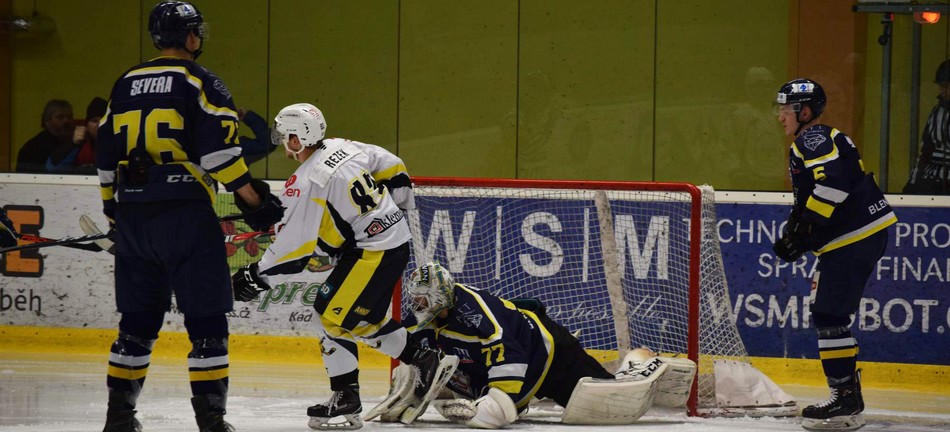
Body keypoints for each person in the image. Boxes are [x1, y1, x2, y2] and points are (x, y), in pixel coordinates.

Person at [95, 2, 284, 431]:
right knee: (207, 324)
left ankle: (119, 418)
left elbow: (106, 160)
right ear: (189, 37)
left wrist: (113, 212)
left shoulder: (124, 82)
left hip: (134, 217)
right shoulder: (202, 81)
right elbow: (221, 156)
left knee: (137, 324)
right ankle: (212, 422)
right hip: (185, 216)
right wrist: (254, 201)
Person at [230, 103, 458, 430]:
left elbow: (297, 244)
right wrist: (399, 198)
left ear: (298, 138)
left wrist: (258, 273)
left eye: (287, 136)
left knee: (341, 315)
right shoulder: (341, 146)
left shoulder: (307, 179)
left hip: (375, 251)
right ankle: (348, 394)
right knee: (334, 314)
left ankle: (420, 358)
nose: (284, 142)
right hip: (381, 243)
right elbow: (389, 162)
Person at [379, 262, 694, 429]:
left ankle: (638, 365)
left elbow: (509, 352)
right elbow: (409, 343)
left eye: (422, 298)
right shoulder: (432, 315)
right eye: (415, 299)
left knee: (610, 404)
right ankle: (518, 395)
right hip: (520, 363)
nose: (417, 304)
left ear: (439, 296)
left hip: (550, 357)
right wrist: (411, 380)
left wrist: (498, 402)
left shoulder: (475, 315)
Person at [773, 78, 898, 431]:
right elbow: (822, 191)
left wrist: (804, 228)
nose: (780, 117)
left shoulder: (812, 137)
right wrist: (799, 229)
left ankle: (845, 397)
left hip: (854, 236)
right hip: (855, 236)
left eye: (786, 111)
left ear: (805, 111)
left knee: (829, 313)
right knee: (830, 312)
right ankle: (846, 394)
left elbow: (836, 182)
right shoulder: (815, 139)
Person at [904, 59, 950, 195]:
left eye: (945, 86)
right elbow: (926, 152)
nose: (941, 91)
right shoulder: (937, 112)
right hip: (933, 183)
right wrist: (912, 184)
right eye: (940, 86)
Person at [15, 99, 77, 173]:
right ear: (47, 120)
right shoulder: (33, 148)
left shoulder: (76, 142)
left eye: (70, 117)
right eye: (60, 117)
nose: (66, 121)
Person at [68, 96, 108, 175]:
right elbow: (53, 168)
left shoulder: (120, 142)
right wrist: (72, 144)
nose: (99, 125)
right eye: (94, 121)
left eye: (104, 120)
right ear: (87, 126)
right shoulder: (78, 142)